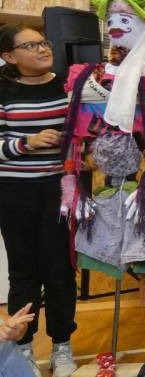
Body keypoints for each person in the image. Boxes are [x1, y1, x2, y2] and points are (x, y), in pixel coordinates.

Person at [0, 24, 77, 377]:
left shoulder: (69, 85)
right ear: (9, 56)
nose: (43, 49)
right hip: (14, 191)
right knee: (23, 271)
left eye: (43, 42)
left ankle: (62, 346)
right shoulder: (3, 89)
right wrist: (26, 143)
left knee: (60, 269)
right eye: (30, 46)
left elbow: (87, 129)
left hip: (59, 190)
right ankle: (24, 347)